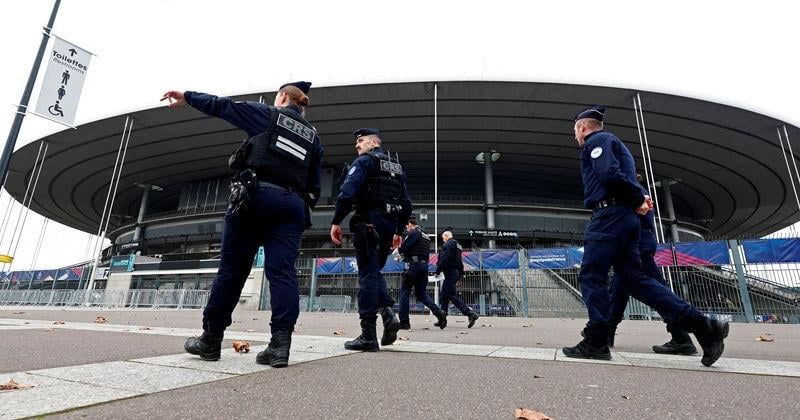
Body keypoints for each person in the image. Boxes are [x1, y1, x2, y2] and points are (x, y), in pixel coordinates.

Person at [161, 81, 323, 367]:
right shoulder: (313, 136)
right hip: (293, 205)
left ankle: (210, 341)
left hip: (256, 198)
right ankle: (280, 346)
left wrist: (187, 96)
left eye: (277, 96)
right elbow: (314, 185)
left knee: (233, 270)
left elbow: (224, 106)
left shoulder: (269, 115)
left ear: (283, 97)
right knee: (283, 273)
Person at [564, 105, 728, 366]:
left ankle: (596, 340)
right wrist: (636, 197)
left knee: (592, 275)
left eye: (574, 130)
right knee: (636, 280)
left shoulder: (598, 140)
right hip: (626, 219)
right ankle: (703, 326)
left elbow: (607, 173)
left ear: (582, 127)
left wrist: (637, 196)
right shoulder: (618, 146)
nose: (575, 135)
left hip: (609, 217)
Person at [330, 128, 412, 351]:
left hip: (368, 223)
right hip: (387, 226)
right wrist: (398, 231)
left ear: (374, 142)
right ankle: (388, 316)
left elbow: (347, 192)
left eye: (361, 140)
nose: (357, 145)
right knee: (375, 271)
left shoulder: (365, 162)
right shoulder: (397, 167)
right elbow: (406, 204)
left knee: (367, 275)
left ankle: (368, 335)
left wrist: (336, 220)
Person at [607, 174, 697, 355]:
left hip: (636, 244)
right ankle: (605, 331)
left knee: (654, 289)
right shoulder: (639, 192)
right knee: (619, 289)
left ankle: (687, 331)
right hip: (640, 242)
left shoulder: (633, 192)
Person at [396, 217, 447, 330]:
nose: (406, 228)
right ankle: (440, 315)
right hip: (423, 266)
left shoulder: (415, 232)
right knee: (421, 294)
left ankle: (404, 322)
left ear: (410, 224)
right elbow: (418, 250)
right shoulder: (426, 235)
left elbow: (404, 248)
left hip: (414, 266)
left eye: (406, 225)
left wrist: (399, 252)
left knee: (405, 291)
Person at [434, 228, 479, 329]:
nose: (443, 241)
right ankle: (442, 319)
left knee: (451, 296)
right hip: (455, 272)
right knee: (444, 295)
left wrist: (437, 271)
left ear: (446, 236)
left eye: (443, 238)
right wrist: (460, 274)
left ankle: (470, 314)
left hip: (450, 272)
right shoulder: (457, 245)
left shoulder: (447, 245)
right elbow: (460, 261)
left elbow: (444, 259)